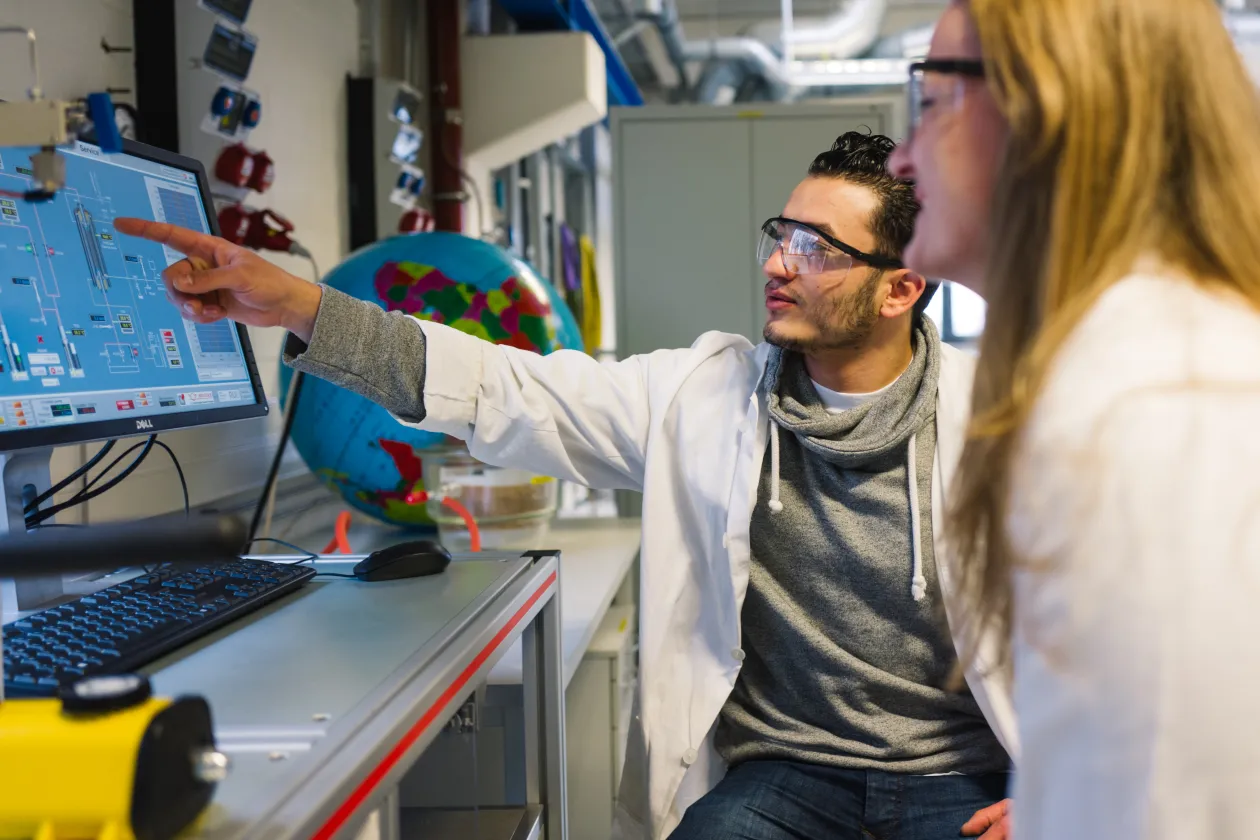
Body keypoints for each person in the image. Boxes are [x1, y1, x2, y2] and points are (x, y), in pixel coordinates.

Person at [116, 132, 1016, 840]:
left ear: (900, 289)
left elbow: (1122, 619)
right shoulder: (702, 396)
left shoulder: (1007, 418)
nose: (780, 263)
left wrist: (1057, 782)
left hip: (963, 780)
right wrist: (301, 306)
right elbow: (507, 388)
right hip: (785, 777)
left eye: (818, 249)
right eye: (780, 236)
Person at [888, 1, 1260, 838]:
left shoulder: (1139, 414)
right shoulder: (1159, 361)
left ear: (1046, 108)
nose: (904, 160)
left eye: (933, 102)